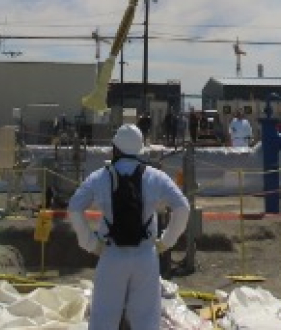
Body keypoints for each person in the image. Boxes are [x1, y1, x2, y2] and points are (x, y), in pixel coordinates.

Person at [67, 124, 190, 330]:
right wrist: (166, 242)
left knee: (104, 318)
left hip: (111, 254)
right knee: (146, 319)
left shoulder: (100, 177)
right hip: (145, 256)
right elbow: (183, 208)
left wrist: (90, 243)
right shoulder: (154, 176)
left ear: (115, 148)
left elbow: (74, 208)